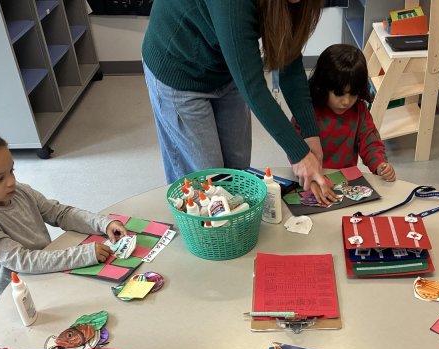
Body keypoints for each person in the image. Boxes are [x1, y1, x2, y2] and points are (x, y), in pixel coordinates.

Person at [141, 0, 338, 204]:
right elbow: (253, 88)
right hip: (179, 67)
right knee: (208, 184)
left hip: (225, 66)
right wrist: (299, 154)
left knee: (237, 171)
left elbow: (288, 58)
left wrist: (310, 134)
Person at [0, 120, 126, 304]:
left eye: (11, 170)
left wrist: (103, 223)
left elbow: (60, 213)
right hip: (16, 294)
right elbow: (22, 261)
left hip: (47, 270)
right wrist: (83, 255)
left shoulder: (19, 191)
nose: (11, 181)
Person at [294, 44, 395, 183]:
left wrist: (380, 164)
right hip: (310, 178)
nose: (346, 102)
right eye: (339, 93)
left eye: (353, 94)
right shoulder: (308, 111)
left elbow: (370, 142)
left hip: (346, 181)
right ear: (323, 86)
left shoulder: (359, 111)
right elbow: (295, 145)